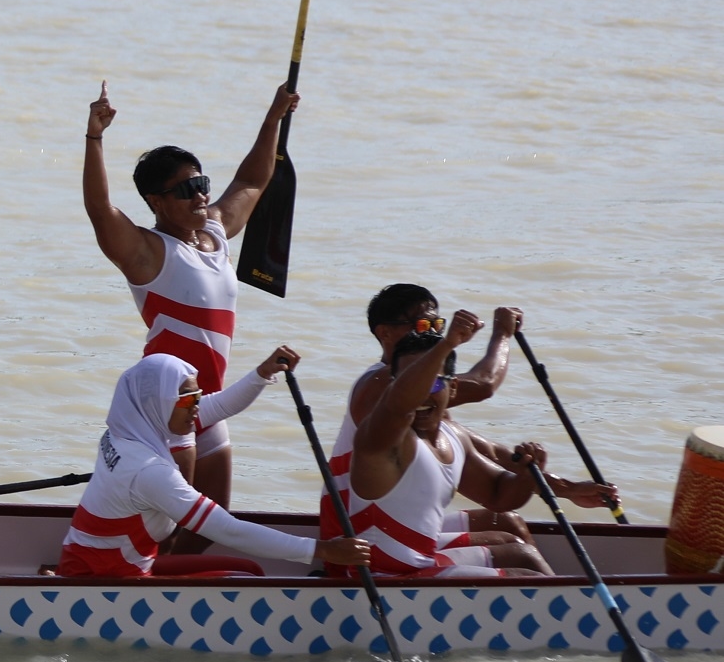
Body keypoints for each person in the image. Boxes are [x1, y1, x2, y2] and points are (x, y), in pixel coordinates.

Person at [81, 78, 296, 511]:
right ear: (155, 201)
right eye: (184, 189)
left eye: (201, 183)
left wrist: (275, 115)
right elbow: (100, 209)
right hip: (165, 405)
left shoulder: (216, 229)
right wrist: (95, 137)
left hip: (210, 404)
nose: (199, 194)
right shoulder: (145, 252)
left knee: (206, 529)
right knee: (172, 526)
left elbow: (253, 179)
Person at [59, 352, 372, 579]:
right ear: (159, 402)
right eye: (187, 400)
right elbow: (227, 530)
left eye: (197, 396)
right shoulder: (150, 471)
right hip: (104, 578)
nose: (196, 407)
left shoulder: (127, 428)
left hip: (105, 562)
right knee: (246, 579)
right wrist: (324, 551)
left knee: (249, 569)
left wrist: (262, 374)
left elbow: (219, 405)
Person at [342, 312, 607, 579]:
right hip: (379, 579)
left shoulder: (451, 436)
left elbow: (500, 495)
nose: (422, 394)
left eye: (433, 382)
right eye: (411, 382)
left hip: (421, 562)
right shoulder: (382, 437)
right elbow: (401, 402)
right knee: (526, 579)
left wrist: (528, 475)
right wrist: (447, 344)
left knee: (522, 553)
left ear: (453, 388)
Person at [321, 286, 537, 559]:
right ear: (384, 333)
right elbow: (484, 384)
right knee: (519, 554)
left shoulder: (430, 408)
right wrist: (502, 334)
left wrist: (562, 486)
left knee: (508, 521)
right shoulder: (383, 385)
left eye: (436, 324)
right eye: (422, 324)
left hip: (395, 517)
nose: (432, 333)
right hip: (355, 536)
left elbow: (488, 452)